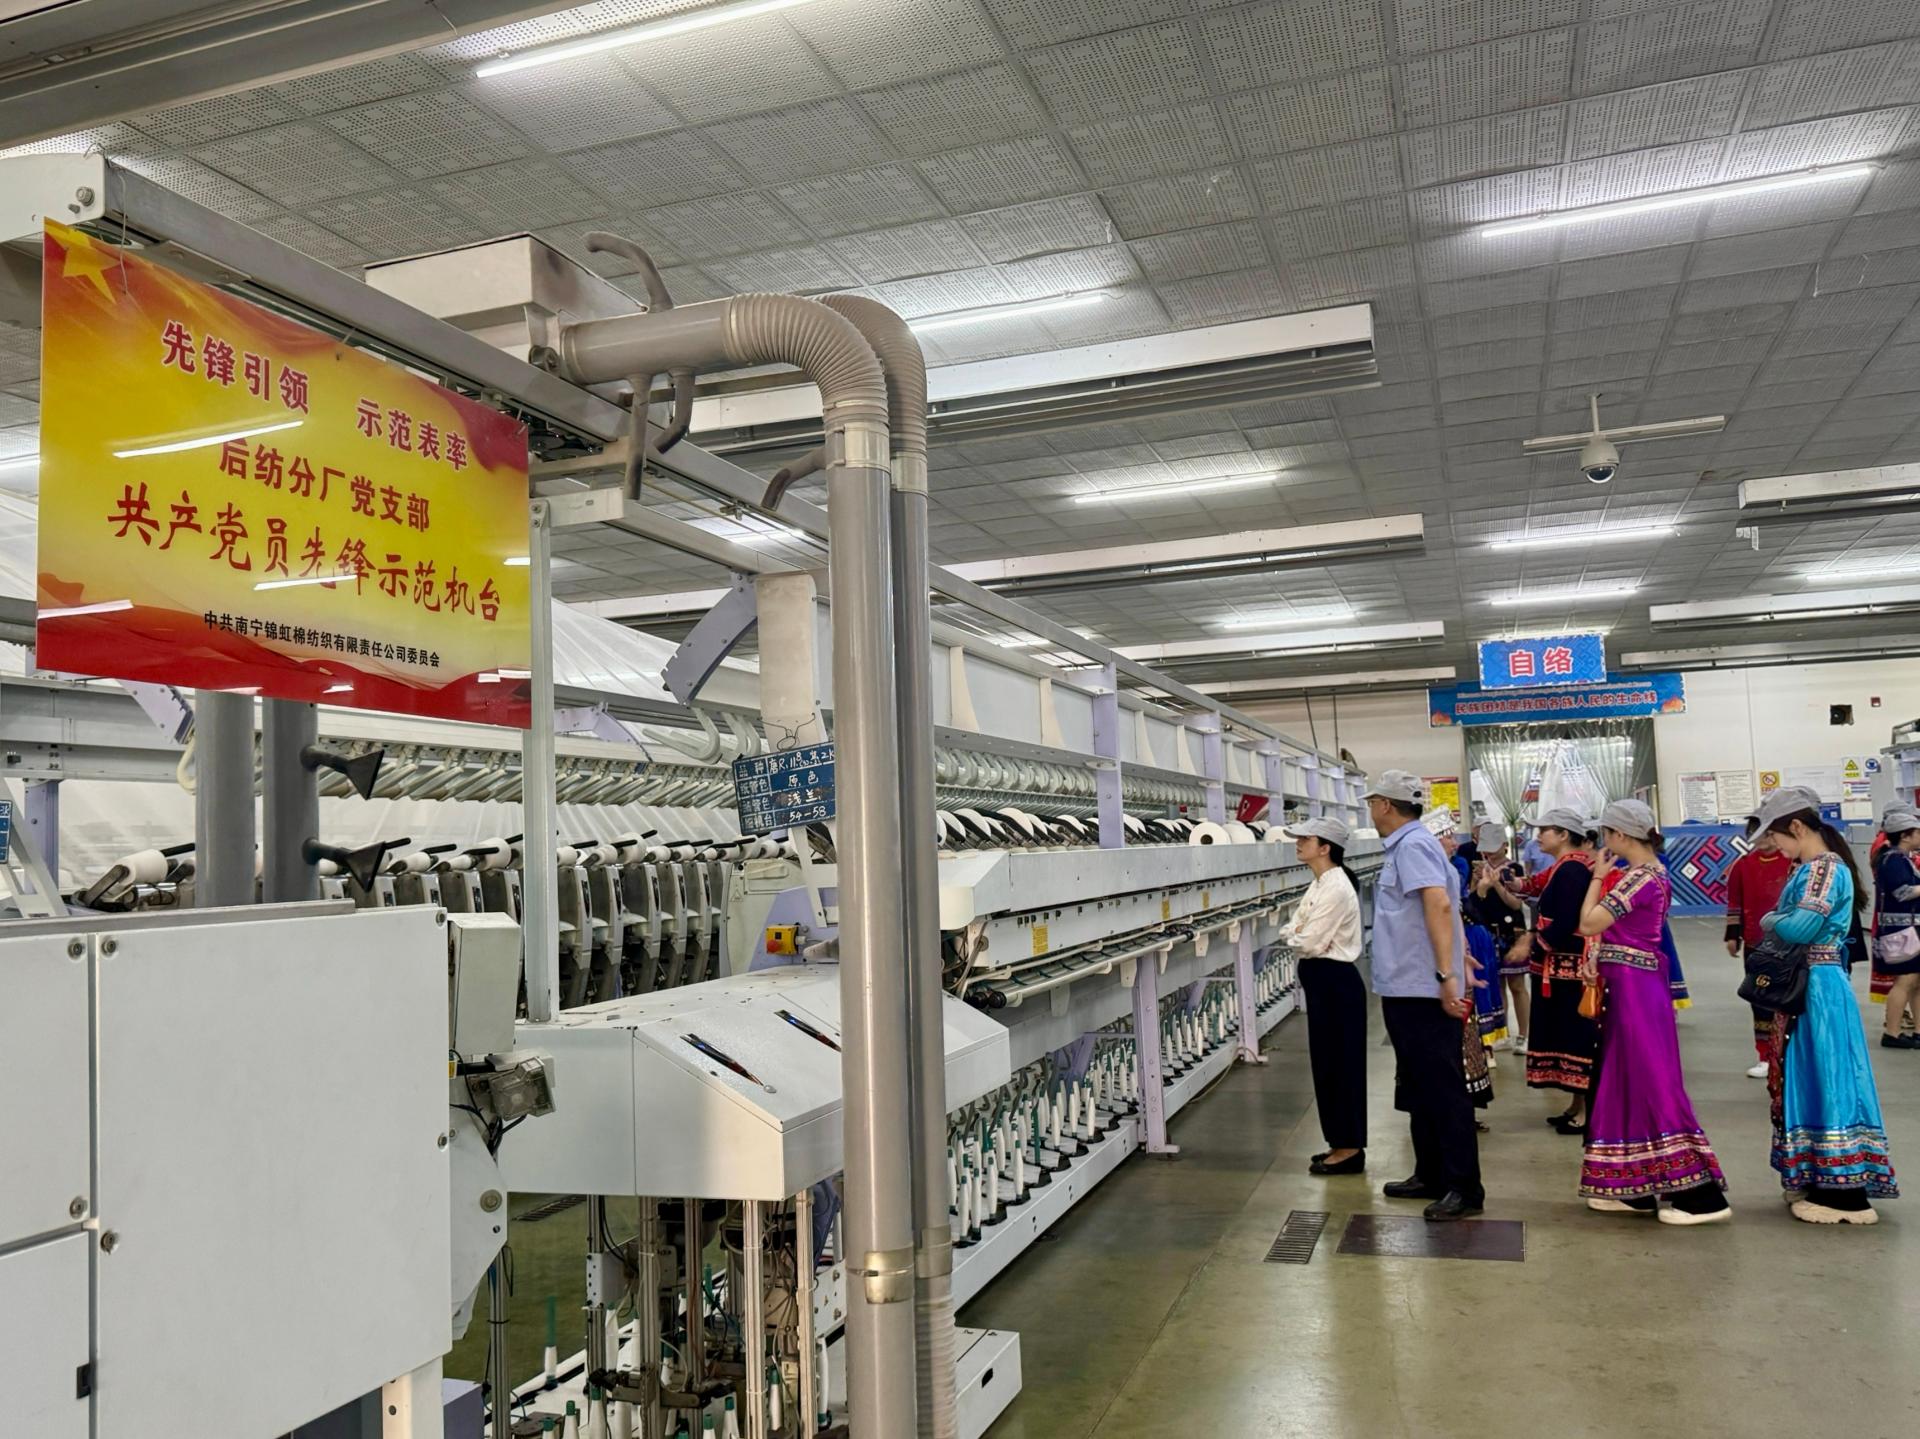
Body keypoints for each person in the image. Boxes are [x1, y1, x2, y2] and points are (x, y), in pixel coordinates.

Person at [1576, 799, 1731, 1225]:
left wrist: (1597, 878)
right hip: (1635, 987)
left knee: (1651, 1082)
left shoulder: (1638, 878)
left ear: (1620, 835)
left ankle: (1701, 1196)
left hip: (1634, 992)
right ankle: (1635, 1187)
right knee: (1627, 1081)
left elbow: (1588, 923)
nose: (1603, 841)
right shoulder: (1652, 874)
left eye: (1606, 833)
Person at [1756, 786, 1897, 1224]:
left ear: (1797, 827)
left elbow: (1798, 928)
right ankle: (1822, 1178)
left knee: (1829, 1075)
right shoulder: (1815, 868)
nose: (1773, 845)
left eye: (1776, 835)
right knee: (1814, 1074)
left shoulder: (1822, 869)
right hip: (1811, 984)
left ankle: (1845, 1195)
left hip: (1818, 986)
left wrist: (1770, 918)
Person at [1363, 770, 1483, 1222]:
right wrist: (1460, 955)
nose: (1371, 810)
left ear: (1385, 805)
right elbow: (1441, 907)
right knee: (1417, 1084)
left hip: (1422, 986)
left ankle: (1463, 1187)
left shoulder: (1413, 846)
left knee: (1442, 1087)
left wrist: (1447, 974)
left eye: (1372, 802)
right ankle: (1430, 1173)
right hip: (1407, 983)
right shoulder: (1409, 845)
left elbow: (1439, 903)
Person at [1280, 817, 1367, 1175]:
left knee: (1341, 1065)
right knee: (1327, 1064)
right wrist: (1297, 934)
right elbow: (1293, 927)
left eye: (1306, 838)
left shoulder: (1335, 887)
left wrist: (1297, 935)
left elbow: (1310, 941)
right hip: (1323, 982)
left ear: (1325, 848)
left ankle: (1350, 1148)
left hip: (1336, 983)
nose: (1298, 843)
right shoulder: (1319, 883)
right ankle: (1339, 1141)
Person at [1505, 807, 1597, 1132]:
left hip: (1568, 972)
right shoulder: (1564, 866)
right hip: (1558, 970)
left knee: (1575, 1037)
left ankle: (1586, 1112)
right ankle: (1576, 1104)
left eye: (1544, 830)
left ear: (1563, 834)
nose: (1538, 836)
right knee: (1567, 1036)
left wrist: (1533, 942)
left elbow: (1568, 920)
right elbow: (1530, 888)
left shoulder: (1571, 870)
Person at [1726, 814, 1793, 1078]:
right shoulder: (1742, 865)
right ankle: (1765, 1056)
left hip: (1789, 944)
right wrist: (1733, 936)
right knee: (1760, 1000)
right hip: (1756, 946)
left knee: (1789, 999)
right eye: (1757, 835)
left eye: (1767, 833)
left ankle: (1789, 1054)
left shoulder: (1792, 863)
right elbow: (1735, 902)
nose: (1763, 840)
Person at [1469, 821, 1531, 1052]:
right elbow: (1473, 902)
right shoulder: (1480, 867)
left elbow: (1516, 904)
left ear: (1504, 845)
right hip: (1487, 930)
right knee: (1496, 985)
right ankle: (1501, 1031)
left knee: (1517, 984)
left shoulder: (1514, 869)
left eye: (1493, 846)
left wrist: (1497, 884)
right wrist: (1479, 883)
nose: (1488, 852)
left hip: (1511, 932)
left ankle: (1523, 1034)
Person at [1873, 811, 1920, 1049]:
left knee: (1915, 981)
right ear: (1905, 835)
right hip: (1901, 930)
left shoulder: (1898, 858)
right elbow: (1902, 892)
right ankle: (1892, 1032)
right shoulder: (1893, 861)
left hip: (1908, 928)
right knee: (1906, 980)